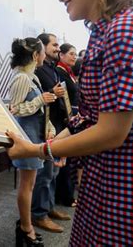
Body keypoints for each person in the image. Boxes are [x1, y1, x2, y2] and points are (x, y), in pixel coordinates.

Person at [7, 0, 133, 246]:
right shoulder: (109, 30)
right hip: (111, 169)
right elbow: (90, 117)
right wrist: (49, 145)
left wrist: (38, 150)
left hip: (132, 175)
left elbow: (112, 132)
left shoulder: (129, 28)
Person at [9, 37, 57, 247]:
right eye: (43, 52)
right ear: (36, 55)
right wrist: (40, 100)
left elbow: (37, 109)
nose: (45, 55)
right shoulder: (22, 78)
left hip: (35, 135)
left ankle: (26, 224)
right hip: (26, 137)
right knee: (27, 186)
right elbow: (14, 110)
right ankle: (26, 228)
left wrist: (49, 129)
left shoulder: (31, 77)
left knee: (31, 184)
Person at [31, 33, 71, 233]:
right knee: (45, 174)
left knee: (54, 171)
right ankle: (39, 214)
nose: (58, 48)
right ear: (42, 47)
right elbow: (36, 99)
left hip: (56, 126)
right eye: (54, 45)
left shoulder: (52, 70)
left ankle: (49, 207)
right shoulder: (36, 71)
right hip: (44, 129)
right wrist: (52, 94)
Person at [54, 43, 79, 208]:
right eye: (71, 53)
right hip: (64, 119)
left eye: (75, 54)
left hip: (72, 117)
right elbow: (63, 98)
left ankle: (67, 195)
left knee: (69, 159)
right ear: (61, 55)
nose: (74, 57)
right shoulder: (59, 72)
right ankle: (66, 196)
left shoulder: (69, 72)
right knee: (64, 159)